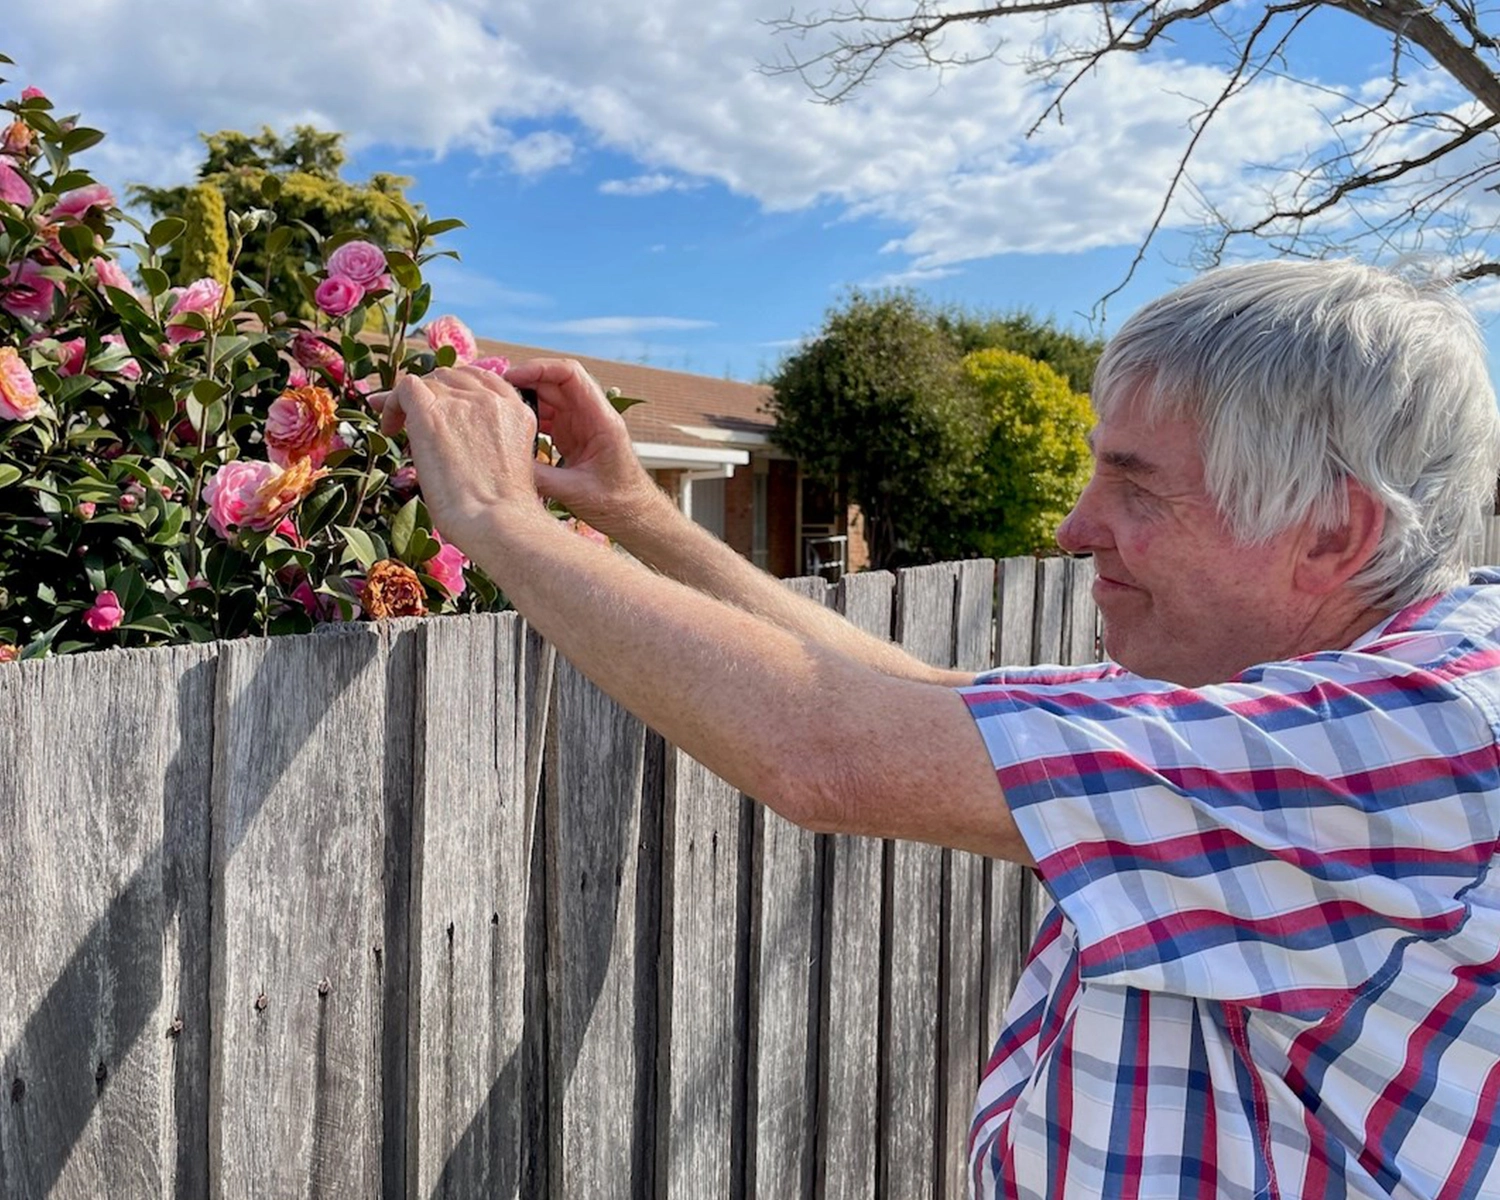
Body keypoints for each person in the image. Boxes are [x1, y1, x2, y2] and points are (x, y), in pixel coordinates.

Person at [378, 259, 1500, 1199]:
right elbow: (925, 703)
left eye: (1138, 489)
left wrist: (493, 517)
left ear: (1326, 534)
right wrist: (632, 514)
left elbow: (832, 755)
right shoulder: (1318, 695)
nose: (1075, 527)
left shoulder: (1418, 742)